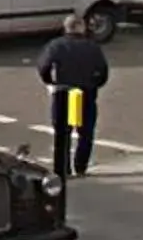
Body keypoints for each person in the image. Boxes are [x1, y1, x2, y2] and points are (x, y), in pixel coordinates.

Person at [36, 13, 110, 177]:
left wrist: (50, 81)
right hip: (85, 93)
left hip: (63, 92)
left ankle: (62, 169)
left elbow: (43, 67)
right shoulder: (92, 47)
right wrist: (94, 84)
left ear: (66, 28)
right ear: (82, 28)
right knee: (85, 133)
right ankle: (80, 167)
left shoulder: (55, 45)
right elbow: (103, 72)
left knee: (62, 133)